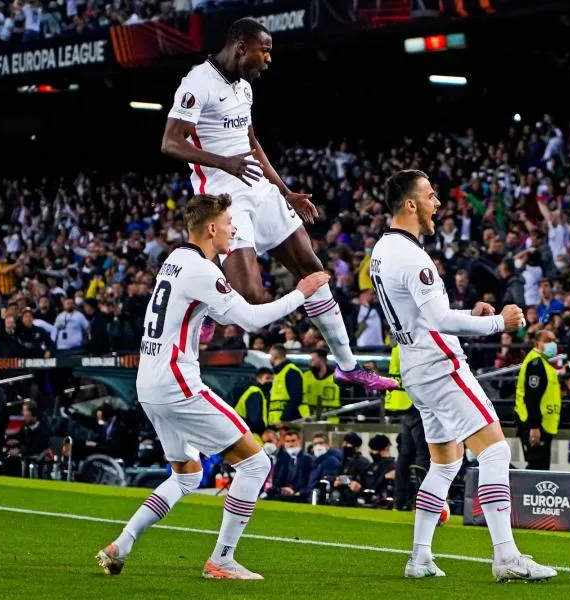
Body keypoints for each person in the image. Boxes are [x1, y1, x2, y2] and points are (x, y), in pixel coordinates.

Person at [96, 193, 330, 581]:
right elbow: (252, 320)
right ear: (211, 229)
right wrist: (301, 292)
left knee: (187, 474)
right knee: (257, 463)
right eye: (228, 223)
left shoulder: (175, 260)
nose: (233, 229)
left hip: (148, 382)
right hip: (176, 382)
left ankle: (121, 544)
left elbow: (193, 309)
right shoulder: (203, 271)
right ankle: (222, 559)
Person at [160, 17, 395, 393]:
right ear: (241, 47)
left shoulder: (244, 87)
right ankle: (213, 307)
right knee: (251, 297)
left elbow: (251, 142)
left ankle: (348, 366)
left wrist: (285, 190)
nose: (268, 58)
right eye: (264, 50)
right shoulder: (196, 83)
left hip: (260, 190)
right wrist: (224, 163)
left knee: (312, 269)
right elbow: (170, 143)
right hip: (224, 198)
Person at [371, 170, 555, 581]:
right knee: (495, 451)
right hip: (441, 366)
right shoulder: (413, 257)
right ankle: (506, 556)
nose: (438, 203)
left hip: (415, 368)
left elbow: (424, 316)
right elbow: (435, 318)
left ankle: (419, 558)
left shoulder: (382, 250)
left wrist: (469, 314)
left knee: (444, 464)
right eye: (431, 196)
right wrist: (498, 325)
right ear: (411, 204)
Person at [386, 343, 428, 511]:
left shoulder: (398, 345)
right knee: (423, 454)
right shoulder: (412, 344)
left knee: (406, 454)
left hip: (403, 403)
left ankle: (400, 500)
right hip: (415, 403)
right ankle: (422, 502)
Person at [514, 331, 562, 470]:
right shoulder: (535, 364)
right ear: (536, 343)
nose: (552, 344)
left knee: (541, 469)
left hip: (544, 425)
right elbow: (531, 397)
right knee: (537, 469)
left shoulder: (543, 363)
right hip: (536, 425)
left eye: (554, 340)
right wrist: (534, 427)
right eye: (547, 340)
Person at [4, 401, 51, 475]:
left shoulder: (43, 429)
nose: (23, 414)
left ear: (33, 413)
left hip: (37, 458)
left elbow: (36, 447)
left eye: (25, 411)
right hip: (25, 455)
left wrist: (19, 450)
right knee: (7, 456)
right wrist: (8, 440)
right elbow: (18, 436)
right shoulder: (26, 427)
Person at [269, 428, 316, 502]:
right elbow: (276, 479)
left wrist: (294, 490)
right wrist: (281, 489)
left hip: (300, 495)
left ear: (299, 441)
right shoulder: (281, 459)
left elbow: (309, 482)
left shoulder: (309, 460)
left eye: (293, 441)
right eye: (288, 441)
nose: (291, 444)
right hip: (282, 493)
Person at [268, 344, 305, 423]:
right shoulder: (278, 373)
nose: (270, 358)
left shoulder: (291, 371)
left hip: (290, 421)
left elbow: (296, 398)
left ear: (275, 356)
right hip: (279, 421)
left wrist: (283, 418)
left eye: (270, 355)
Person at [233, 367, 273, 442]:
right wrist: (265, 430)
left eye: (271, 379)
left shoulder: (260, 394)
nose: (270, 381)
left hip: (246, 434)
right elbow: (254, 421)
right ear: (258, 379)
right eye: (267, 378)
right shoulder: (255, 393)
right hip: (248, 435)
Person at [303, 349, 341, 423]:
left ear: (322, 360)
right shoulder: (305, 377)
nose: (310, 362)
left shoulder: (337, 377)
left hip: (332, 421)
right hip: (310, 421)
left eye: (313, 359)